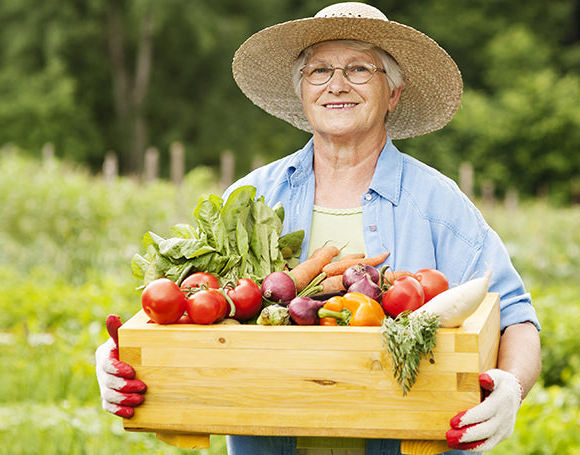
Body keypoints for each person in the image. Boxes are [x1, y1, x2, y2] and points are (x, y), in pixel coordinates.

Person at [96, 3, 541, 454]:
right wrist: (117, 356)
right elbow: (182, 301)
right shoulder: (254, 198)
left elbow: (517, 318)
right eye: (319, 70)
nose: (337, 85)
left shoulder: (437, 202)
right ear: (303, 93)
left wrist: (510, 387)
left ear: (393, 94)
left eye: (359, 68)